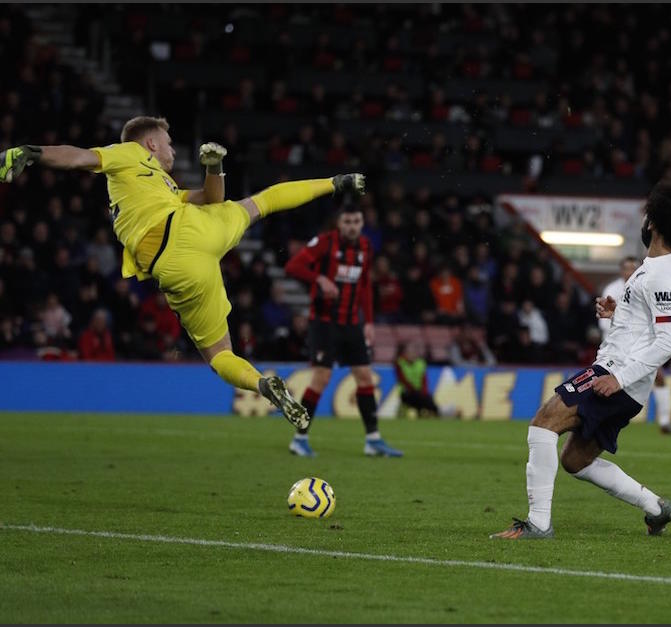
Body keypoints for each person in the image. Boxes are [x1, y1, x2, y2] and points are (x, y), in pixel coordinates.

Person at [0, 116, 366, 430]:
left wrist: (213, 171)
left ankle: (261, 383)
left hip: (174, 264)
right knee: (265, 201)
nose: (173, 151)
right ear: (151, 143)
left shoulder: (162, 187)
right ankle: (335, 183)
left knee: (219, 355)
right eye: (169, 144)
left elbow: (212, 198)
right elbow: (78, 157)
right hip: (185, 231)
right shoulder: (129, 153)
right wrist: (34, 152)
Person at [491, 181, 671, 540]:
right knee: (574, 460)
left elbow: (669, 340)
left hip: (617, 375)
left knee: (543, 424)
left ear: (654, 222)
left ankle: (538, 525)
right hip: (626, 381)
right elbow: (651, 323)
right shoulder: (662, 267)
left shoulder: (663, 272)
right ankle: (656, 508)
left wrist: (619, 378)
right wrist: (622, 312)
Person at [284, 204, 403, 458]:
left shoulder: (365, 247)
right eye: (347, 221)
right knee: (321, 378)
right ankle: (299, 438)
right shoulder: (324, 243)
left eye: (356, 221)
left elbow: (365, 287)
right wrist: (319, 279)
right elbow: (292, 267)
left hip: (352, 323)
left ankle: (373, 440)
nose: (352, 226)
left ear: (362, 223)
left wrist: (368, 322)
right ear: (339, 223)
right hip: (324, 323)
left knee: (364, 376)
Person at [600, 256, 671, 437]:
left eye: (633, 268)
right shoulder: (612, 290)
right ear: (621, 270)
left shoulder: (645, 284)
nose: (629, 271)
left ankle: (665, 422)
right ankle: (602, 419)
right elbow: (606, 323)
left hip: (641, 344)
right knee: (609, 383)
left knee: (658, 377)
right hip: (616, 348)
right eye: (626, 268)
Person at [395, 341, 439, 417]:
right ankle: (435, 412)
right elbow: (402, 380)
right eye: (409, 351)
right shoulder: (400, 363)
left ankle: (432, 411)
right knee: (421, 398)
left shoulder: (421, 363)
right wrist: (415, 390)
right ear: (405, 353)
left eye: (413, 351)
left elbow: (424, 380)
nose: (412, 353)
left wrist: (423, 392)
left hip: (419, 392)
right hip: (407, 393)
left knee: (426, 397)